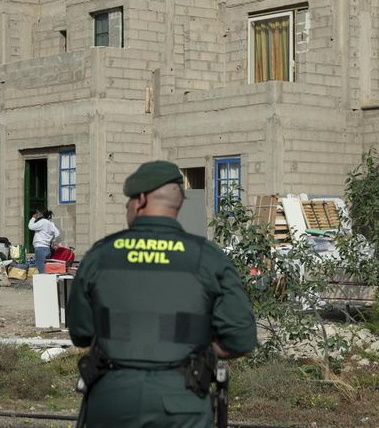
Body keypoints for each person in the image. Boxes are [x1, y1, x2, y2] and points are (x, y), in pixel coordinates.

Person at [66, 160, 257, 428]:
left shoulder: (101, 255)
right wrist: (202, 349)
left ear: (141, 199)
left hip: (113, 402)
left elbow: (81, 332)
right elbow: (241, 338)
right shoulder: (207, 257)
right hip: (183, 402)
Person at [28, 208, 60, 273]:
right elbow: (57, 233)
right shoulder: (50, 223)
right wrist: (52, 241)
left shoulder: (42, 222)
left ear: (41, 214)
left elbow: (30, 226)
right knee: (47, 269)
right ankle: (48, 282)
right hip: (47, 248)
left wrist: (33, 218)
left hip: (40, 248)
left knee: (41, 270)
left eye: (37, 213)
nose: (36, 214)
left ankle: (43, 283)